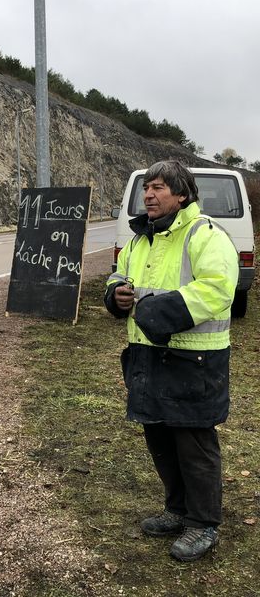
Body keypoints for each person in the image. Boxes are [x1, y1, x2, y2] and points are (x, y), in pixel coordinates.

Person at [104, 160, 239, 562]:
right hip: (148, 356)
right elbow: (117, 274)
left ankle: (203, 524)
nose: (149, 195)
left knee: (193, 443)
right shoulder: (139, 239)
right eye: (146, 188)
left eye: (159, 187)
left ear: (182, 194)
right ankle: (177, 511)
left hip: (192, 360)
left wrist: (153, 312)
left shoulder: (205, 235)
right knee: (160, 438)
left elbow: (218, 289)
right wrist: (116, 295)